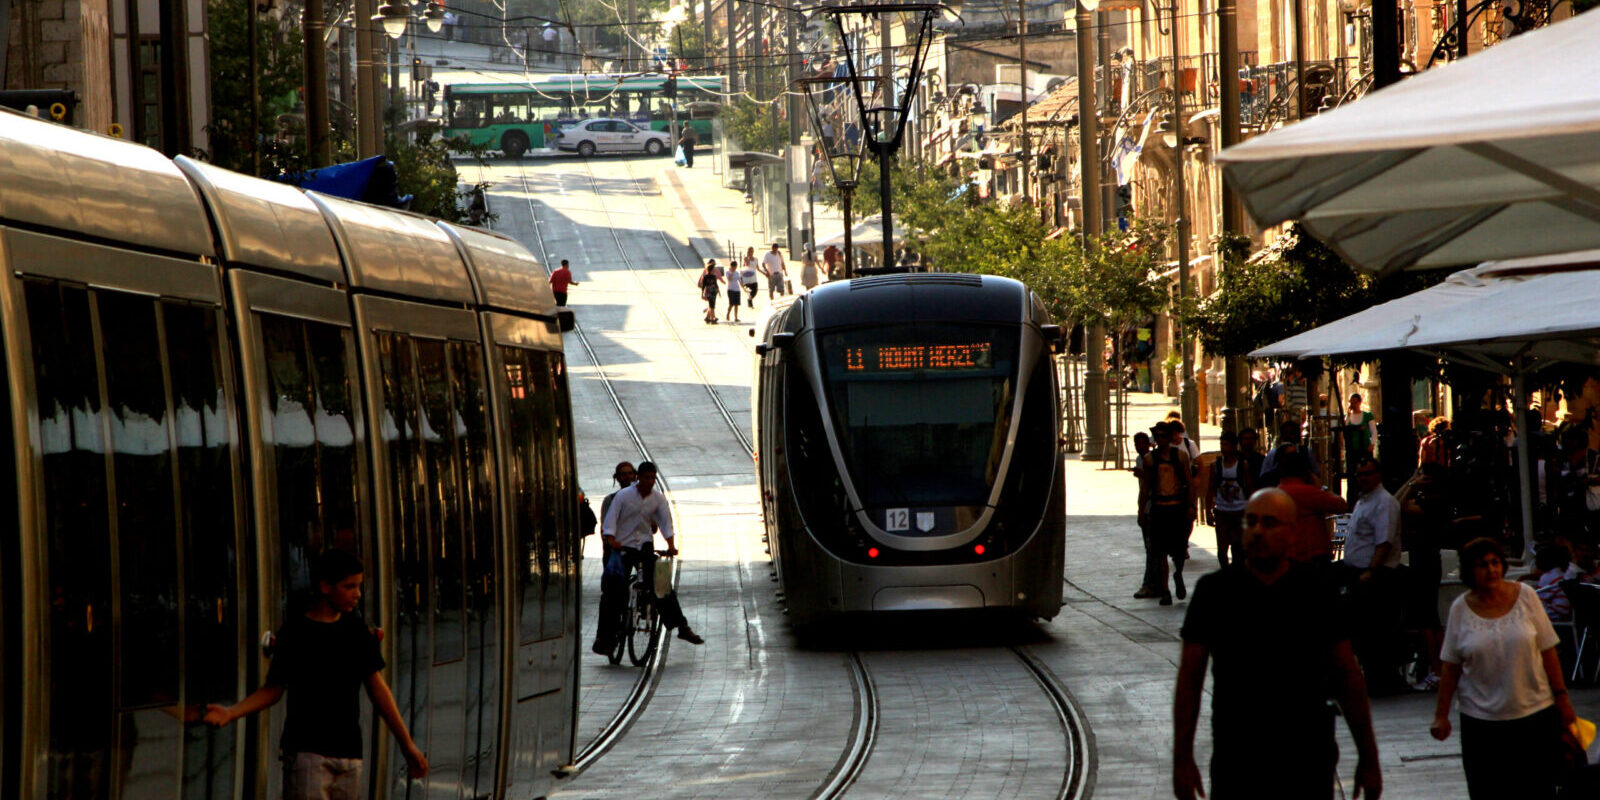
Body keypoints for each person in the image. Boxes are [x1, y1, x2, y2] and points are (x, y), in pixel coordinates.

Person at [1174, 488, 1382, 800]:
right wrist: (1182, 758)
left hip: (1306, 759)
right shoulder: (1215, 592)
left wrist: (1369, 757)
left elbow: (1348, 677)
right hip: (1238, 761)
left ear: (1292, 532)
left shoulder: (1317, 591)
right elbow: (1190, 680)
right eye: (1251, 522)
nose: (1258, 531)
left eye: (1270, 523)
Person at [204, 550, 429, 795]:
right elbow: (273, 690)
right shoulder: (296, 632)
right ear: (325, 587)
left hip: (350, 757)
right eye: (349, 586)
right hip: (307, 756)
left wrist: (407, 746)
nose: (357, 594)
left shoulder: (356, 630)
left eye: (359, 586)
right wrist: (231, 712)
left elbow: (378, 690)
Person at [1431, 537, 1579, 800]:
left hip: (1534, 714)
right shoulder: (1460, 610)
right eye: (1482, 565)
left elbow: (1548, 651)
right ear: (1469, 571)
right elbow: (1450, 667)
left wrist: (1563, 698)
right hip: (1481, 723)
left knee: (1537, 790)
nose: (1491, 570)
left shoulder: (1526, 597)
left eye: (1495, 563)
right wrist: (1441, 715)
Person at [599, 462, 705, 646]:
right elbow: (610, 520)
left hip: (645, 548)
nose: (650, 481)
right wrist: (611, 539)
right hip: (623, 548)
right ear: (638, 477)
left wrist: (671, 544)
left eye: (653, 478)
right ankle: (606, 637)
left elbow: (665, 521)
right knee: (613, 590)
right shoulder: (623, 497)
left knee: (662, 583)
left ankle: (681, 627)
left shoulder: (657, 499)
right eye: (646, 477)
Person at [1342, 457, 1406, 692]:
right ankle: (1372, 677)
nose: (1363, 478)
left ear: (1378, 475)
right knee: (1363, 630)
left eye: (1367, 474)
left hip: (1376, 575)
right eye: (1359, 475)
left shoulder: (1384, 502)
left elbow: (1384, 542)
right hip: (1357, 573)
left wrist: (1371, 571)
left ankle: (1383, 680)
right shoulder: (1363, 501)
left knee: (1377, 630)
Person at [1138, 422, 1194, 606]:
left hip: (1177, 508)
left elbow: (1189, 482)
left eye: (1164, 436)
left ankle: (1178, 573)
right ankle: (1165, 590)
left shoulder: (1181, 456)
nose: (1160, 439)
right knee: (1159, 552)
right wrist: (1141, 511)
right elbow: (1145, 488)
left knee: (1179, 550)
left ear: (1169, 438)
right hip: (1159, 509)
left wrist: (1191, 506)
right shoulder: (1149, 460)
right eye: (1158, 436)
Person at [1275, 450, 1348, 564]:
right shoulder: (1309, 492)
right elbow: (1341, 506)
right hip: (1313, 553)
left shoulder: (1275, 494)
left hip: (1286, 554)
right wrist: (1322, 487)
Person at [1207, 431, 1254, 568]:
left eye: (1226, 445)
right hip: (1222, 512)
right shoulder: (1215, 466)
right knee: (1222, 550)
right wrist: (1208, 511)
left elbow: (1250, 488)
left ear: (1234, 447)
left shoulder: (1242, 465)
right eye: (1221, 444)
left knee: (1238, 548)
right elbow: (1210, 489)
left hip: (1240, 511)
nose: (1223, 448)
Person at [1131, 431, 1161, 599]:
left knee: (1152, 549)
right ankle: (1155, 584)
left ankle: (1149, 584)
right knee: (1150, 548)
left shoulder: (1151, 460)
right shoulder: (1139, 460)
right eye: (1138, 444)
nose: (1140, 447)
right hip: (1146, 506)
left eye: (1143, 443)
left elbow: (1152, 483)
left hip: (1154, 507)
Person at [1260, 419, 1321, 486]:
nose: (1288, 436)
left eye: (1291, 433)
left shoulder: (1306, 452)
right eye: (1286, 433)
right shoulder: (1273, 454)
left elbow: (1316, 472)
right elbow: (1264, 476)